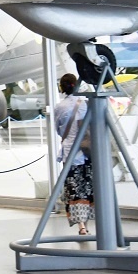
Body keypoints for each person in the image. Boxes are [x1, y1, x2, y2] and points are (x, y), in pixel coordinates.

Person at [51, 73, 93, 235]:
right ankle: (87, 224)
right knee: (88, 189)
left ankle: (81, 226)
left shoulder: (60, 107)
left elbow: (58, 129)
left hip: (70, 153)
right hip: (88, 151)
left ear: (62, 87)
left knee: (74, 190)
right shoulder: (86, 104)